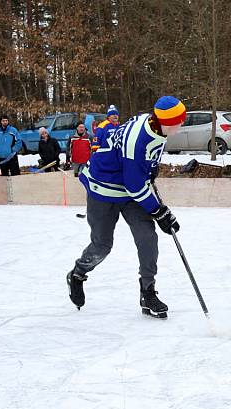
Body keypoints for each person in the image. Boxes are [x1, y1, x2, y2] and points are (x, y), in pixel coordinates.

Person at [66, 96, 186, 319]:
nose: (182, 124)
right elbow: (134, 185)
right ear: (168, 121)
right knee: (102, 245)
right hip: (104, 188)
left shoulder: (156, 126)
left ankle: (148, 293)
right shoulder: (138, 141)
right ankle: (78, 273)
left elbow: (140, 169)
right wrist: (159, 212)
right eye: (180, 121)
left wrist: (151, 168)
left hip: (130, 189)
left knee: (147, 237)